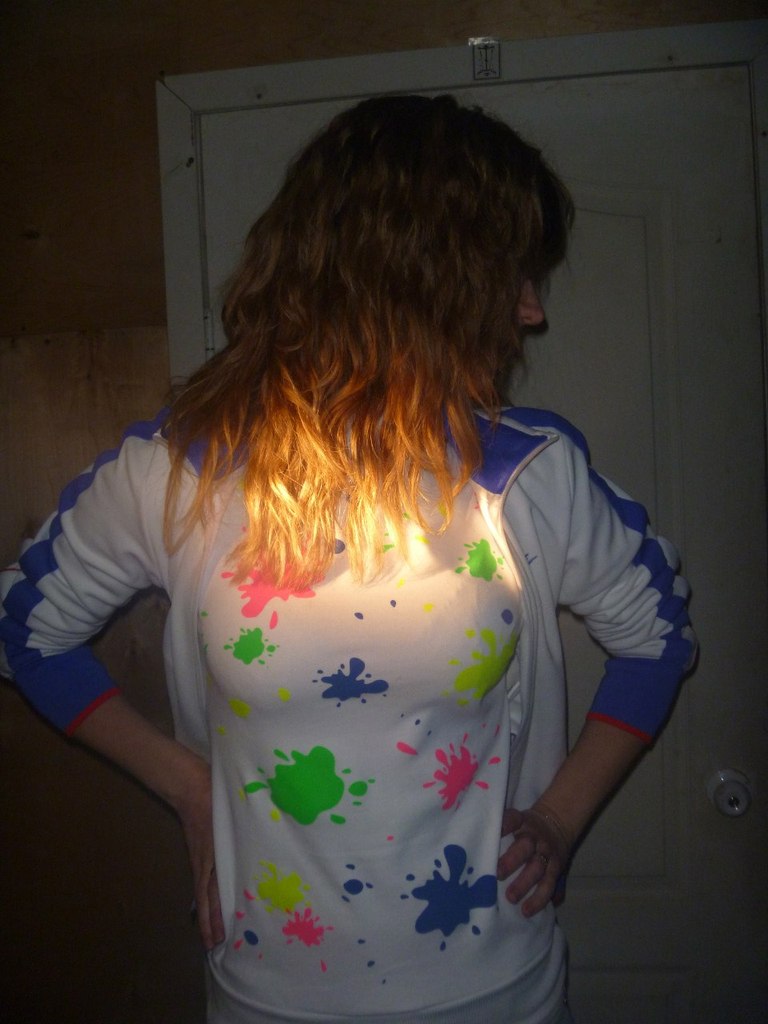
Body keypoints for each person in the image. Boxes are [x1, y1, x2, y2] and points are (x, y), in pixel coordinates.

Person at [0, 94, 695, 1024]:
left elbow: (658, 637)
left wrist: (560, 819)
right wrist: (190, 787)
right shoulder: (180, 473)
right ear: (419, 275)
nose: (531, 313)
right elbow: (27, 632)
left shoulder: (527, 472)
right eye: (513, 274)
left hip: (498, 994)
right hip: (266, 996)